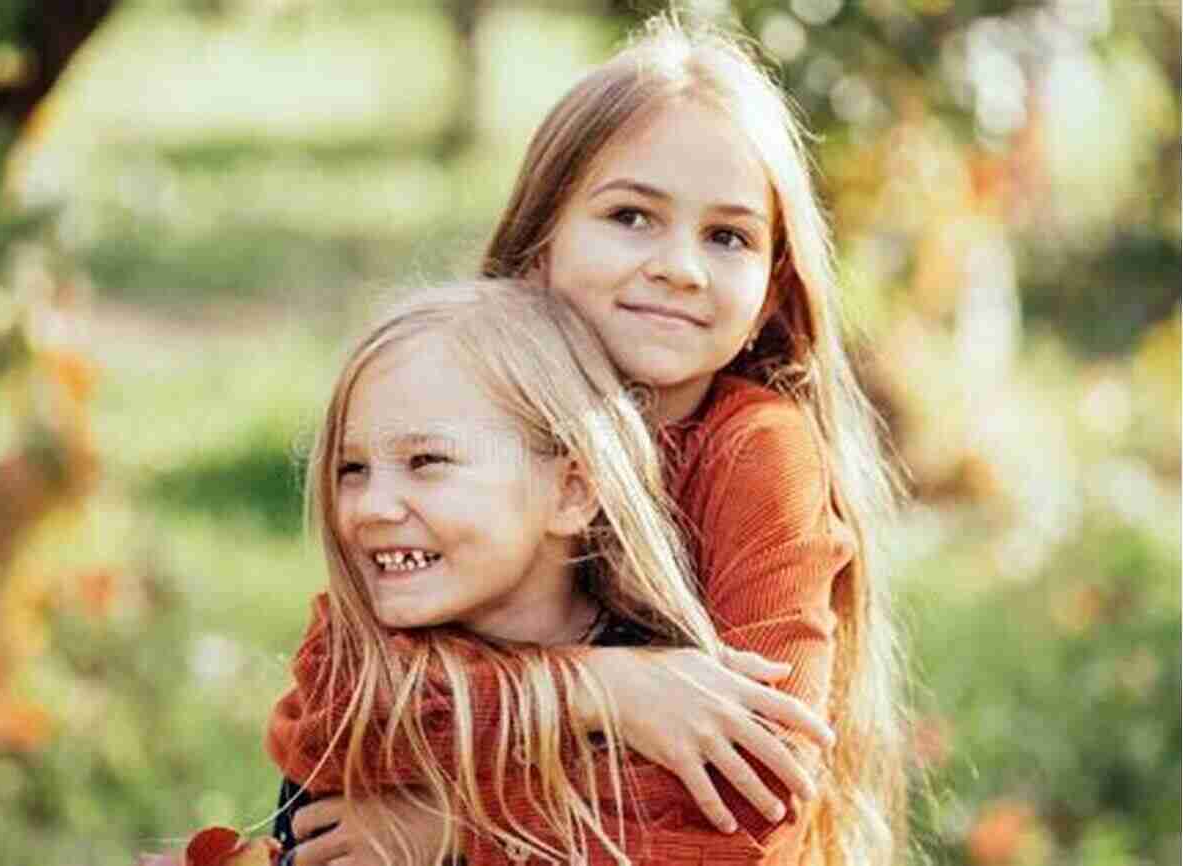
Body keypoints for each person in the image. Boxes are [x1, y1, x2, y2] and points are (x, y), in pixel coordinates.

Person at [271, 12, 907, 866]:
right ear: (539, 240)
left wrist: (459, 831)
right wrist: (600, 691)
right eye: (633, 217)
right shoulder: (455, 391)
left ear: (768, 289)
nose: (680, 265)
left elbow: (754, 804)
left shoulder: (756, 455)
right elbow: (337, 706)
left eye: (727, 236)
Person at [271, 278, 815, 866]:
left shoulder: (673, 682)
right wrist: (595, 690)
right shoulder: (361, 659)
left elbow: (724, 842)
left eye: (426, 461)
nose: (373, 505)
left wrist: (460, 827)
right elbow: (345, 725)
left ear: (571, 491)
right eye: (352, 468)